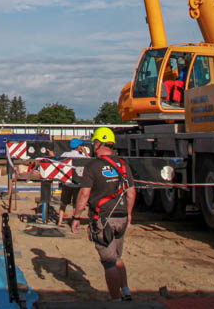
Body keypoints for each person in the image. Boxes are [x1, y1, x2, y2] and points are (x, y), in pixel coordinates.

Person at [70, 127, 135, 301]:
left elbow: (84, 194)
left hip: (103, 219)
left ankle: (116, 300)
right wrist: (129, 214)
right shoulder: (122, 164)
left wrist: (76, 217)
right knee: (117, 256)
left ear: (98, 144)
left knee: (109, 262)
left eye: (94, 143)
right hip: (121, 217)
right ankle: (125, 290)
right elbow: (131, 192)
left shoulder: (93, 166)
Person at [56, 138, 91, 225]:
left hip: (67, 183)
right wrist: (85, 153)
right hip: (77, 184)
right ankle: (74, 222)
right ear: (79, 147)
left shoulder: (65, 154)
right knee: (76, 205)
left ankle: (60, 221)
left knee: (63, 203)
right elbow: (90, 162)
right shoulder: (82, 157)